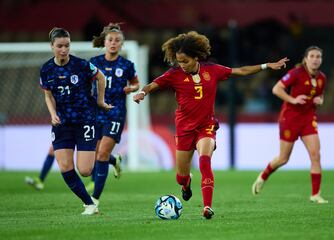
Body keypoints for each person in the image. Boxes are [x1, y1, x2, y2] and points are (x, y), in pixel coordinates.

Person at [133, 31, 288, 219]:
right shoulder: (174, 74)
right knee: (181, 176)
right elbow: (152, 85)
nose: (182, 65)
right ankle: (186, 183)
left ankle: (207, 207)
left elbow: (240, 71)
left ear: (196, 57)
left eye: (185, 61)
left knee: (204, 161)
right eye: (179, 61)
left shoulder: (212, 70)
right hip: (184, 128)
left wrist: (266, 65)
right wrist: (142, 93)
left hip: (206, 126)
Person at [40, 27, 112, 215]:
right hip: (62, 123)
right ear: (52, 46)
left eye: (67, 46)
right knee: (65, 166)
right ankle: (89, 204)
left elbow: (101, 77)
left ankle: (109, 159)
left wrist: (100, 100)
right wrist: (52, 113)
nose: (64, 50)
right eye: (60, 46)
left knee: (85, 170)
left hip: (85, 121)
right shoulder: (46, 69)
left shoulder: (82, 65)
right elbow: (48, 95)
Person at [252, 46, 328, 204]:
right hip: (290, 119)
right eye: (312, 56)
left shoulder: (322, 78)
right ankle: (263, 176)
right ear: (305, 59)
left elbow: (320, 96)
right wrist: (293, 100)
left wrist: (319, 101)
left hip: (308, 119)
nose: (315, 59)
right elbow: (276, 89)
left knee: (316, 155)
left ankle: (315, 194)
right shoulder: (296, 73)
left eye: (318, 57)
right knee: (283, 158)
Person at [85, 23, 139, 201]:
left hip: (115, 113)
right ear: (105, 42)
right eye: (110, 40)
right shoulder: (94, 62)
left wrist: (131, 89)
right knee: (94, 153)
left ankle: (94, 201)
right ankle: (114, 161)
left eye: (117, 40)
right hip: (96, 112)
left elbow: (136, 83)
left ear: (122, 44)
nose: (113, 43)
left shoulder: (126, 65)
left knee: (101, 155)